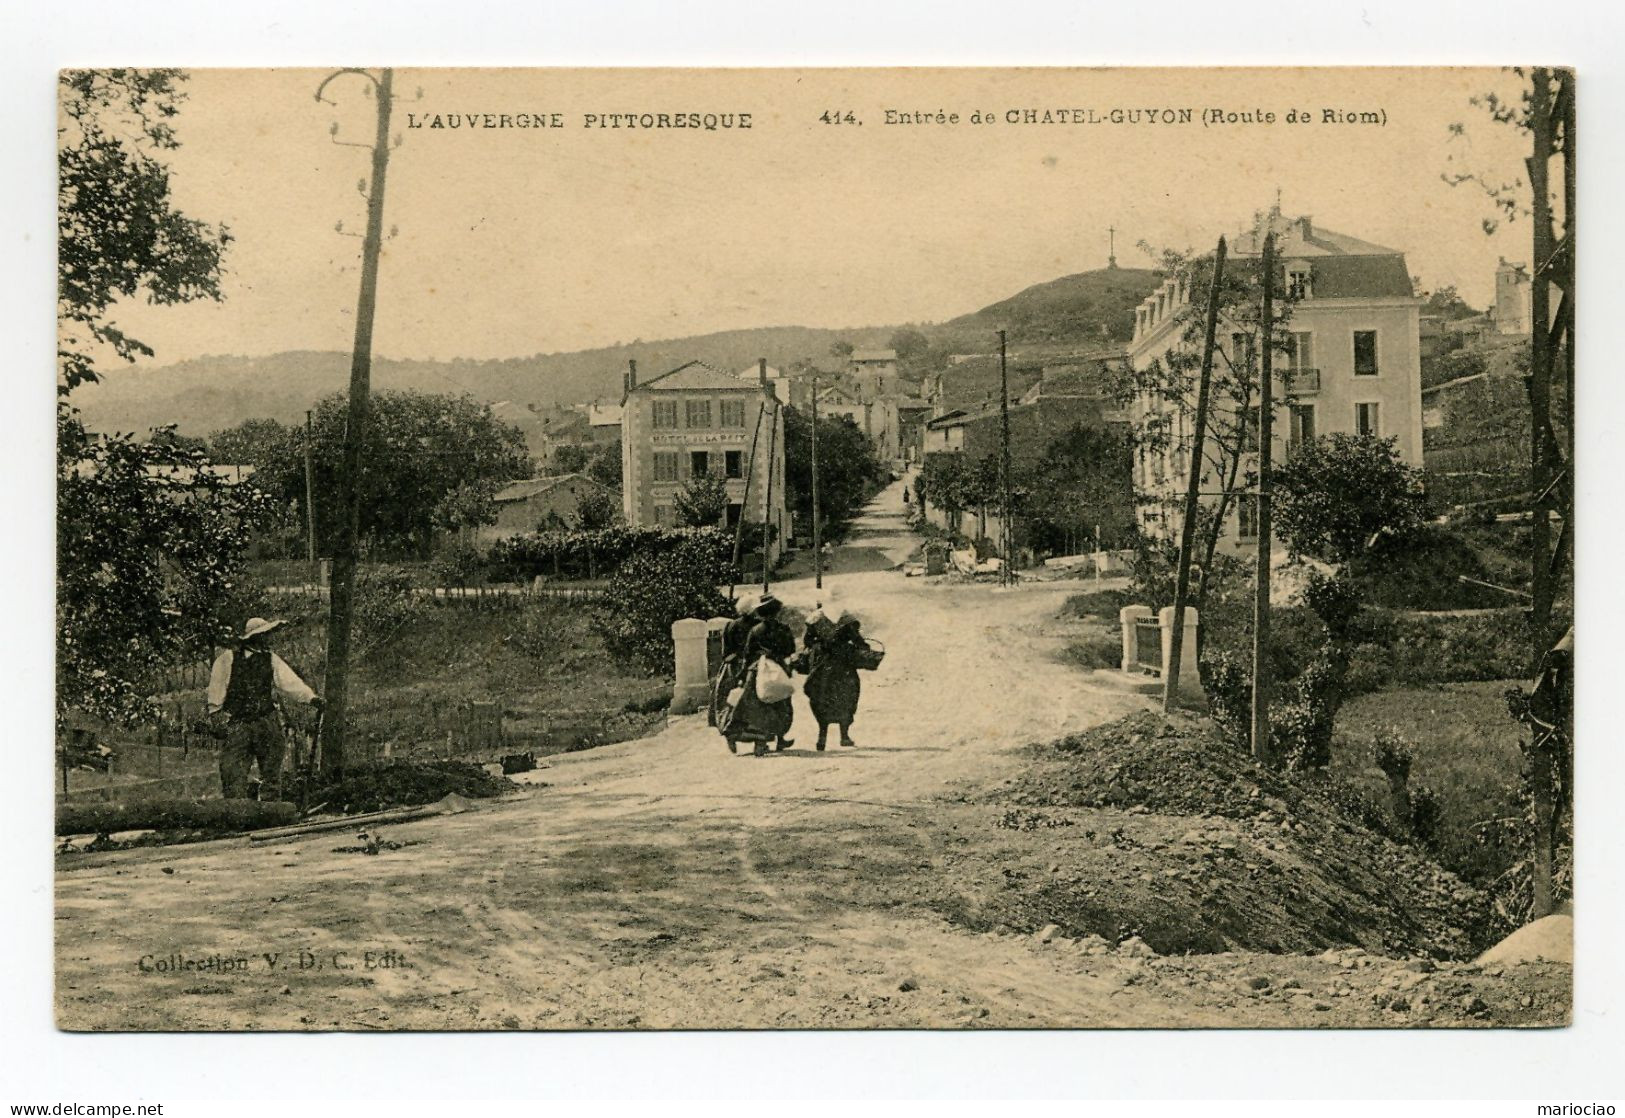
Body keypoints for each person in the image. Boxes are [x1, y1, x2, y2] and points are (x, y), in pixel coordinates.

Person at [206, 617, 321, 800]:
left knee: (272, 768)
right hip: (238, 723)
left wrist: (311, 698)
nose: (267, 639)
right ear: (253, 637)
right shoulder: (227, 659)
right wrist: (216, 715)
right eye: (263, 635)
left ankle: (271, 811)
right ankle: (236, 813)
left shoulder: (271, 659)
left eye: (267, 635)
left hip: (266, 720)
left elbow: (290, 683)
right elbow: (216, 690)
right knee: (233, 770)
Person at [723, 594, 797, 757]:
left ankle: (757, 741)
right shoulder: (783, 629)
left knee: (755, 707)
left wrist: (742, 675)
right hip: (777, 668)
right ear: (777, 612)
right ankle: (778, 738)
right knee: (781, 703)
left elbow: (748, 654)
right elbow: (790, 650)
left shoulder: (755, 630)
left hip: (756, 670)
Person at [803, 610, 865, 750]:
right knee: (847, 698)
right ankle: (844, 736)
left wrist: (819, 644)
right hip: (843, 667)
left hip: (821, 667)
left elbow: (807, 641)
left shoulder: (815, 618)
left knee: (820, 699)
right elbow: (859, 642)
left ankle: (822, 736)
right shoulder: (847, 619)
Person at [711, 594, 758, 749]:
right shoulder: (757, 625)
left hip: (731, 667)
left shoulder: (730, 626)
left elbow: (726, 653)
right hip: (751, 666)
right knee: (754, 701)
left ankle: (730, 734)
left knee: (729, 701)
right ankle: (759, 737)